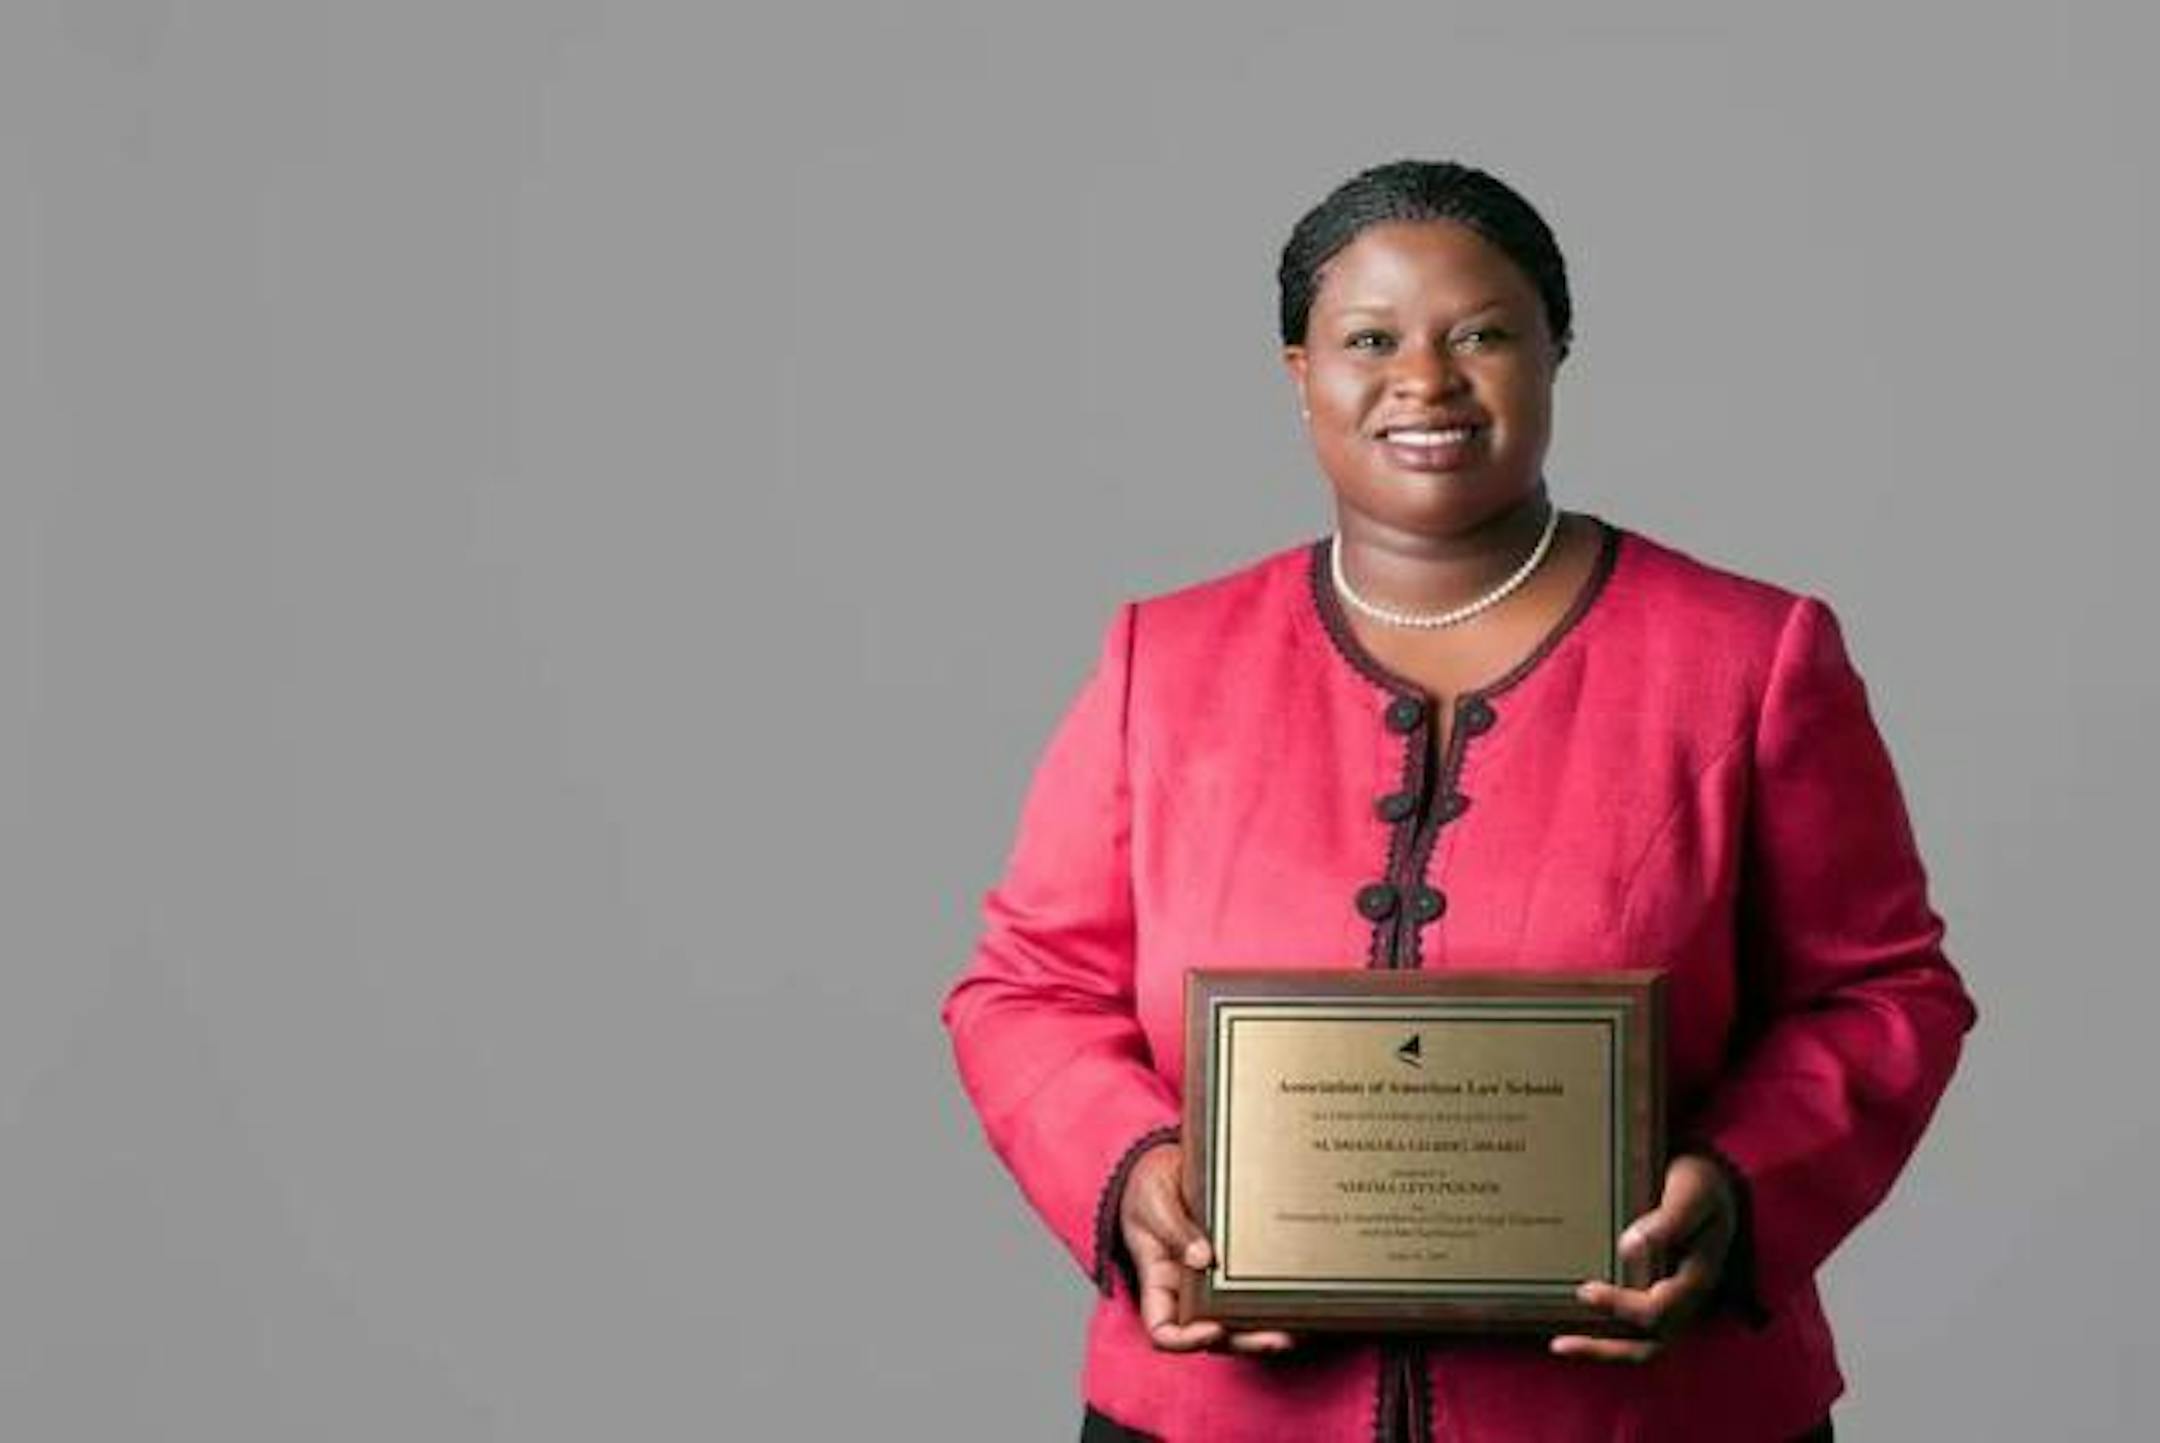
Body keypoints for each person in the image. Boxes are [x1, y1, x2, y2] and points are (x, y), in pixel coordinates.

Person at [940, 159, 1976, 1443]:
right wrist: (1130, 1175)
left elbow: (1883, 994)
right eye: (1369, 340)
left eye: (1481, 335)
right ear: (1300, 373)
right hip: (1216, 1412)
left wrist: (1741, 1187)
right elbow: (1027, 990)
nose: (1424, 381)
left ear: (1555, 354)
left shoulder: (1750, 658)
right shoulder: (1167, 661)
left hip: (1652, 1415)